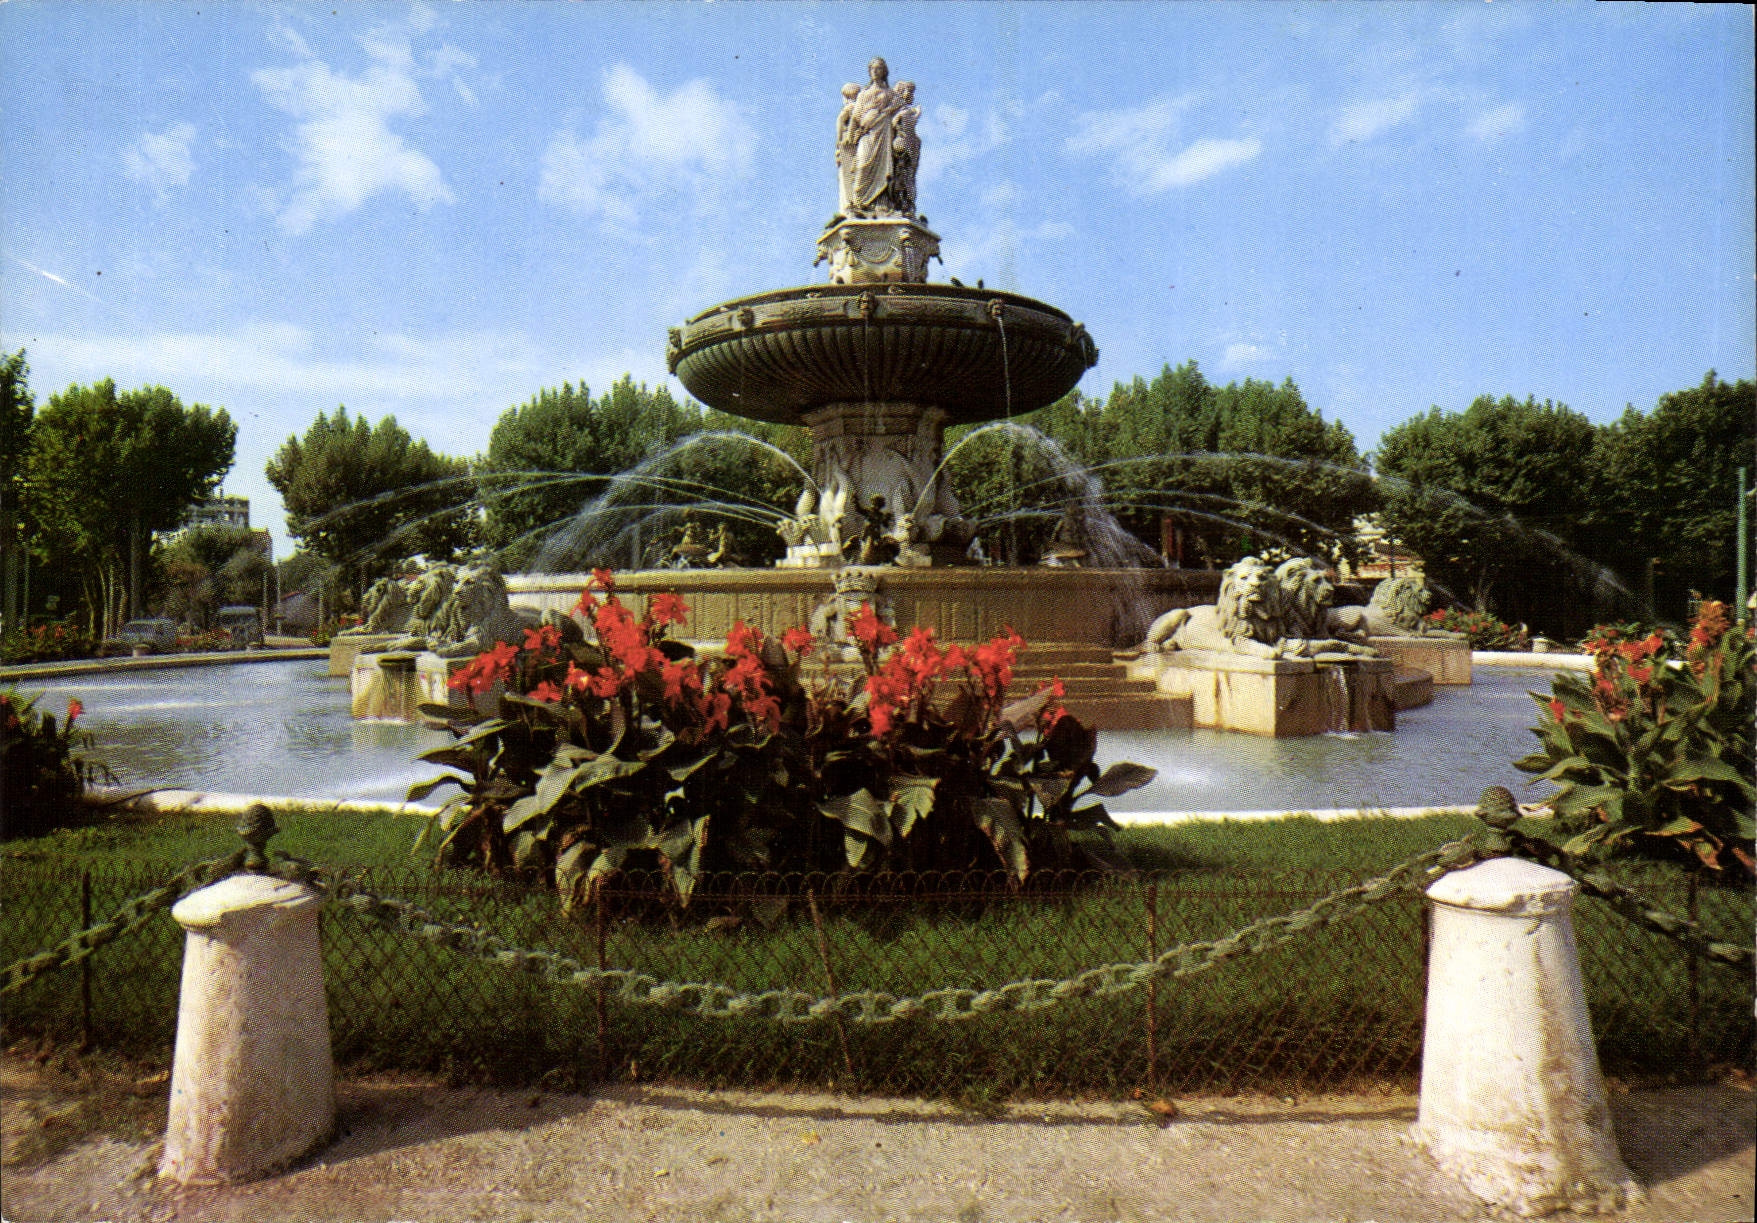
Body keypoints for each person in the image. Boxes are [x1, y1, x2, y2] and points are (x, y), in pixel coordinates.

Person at [889, 82, 921, 218]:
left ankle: (905, 204)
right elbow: (896, 124)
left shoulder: (903, 111)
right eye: (909, 92)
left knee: (906, 176)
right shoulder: (903, 111)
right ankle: (902, 204)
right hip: (903, 146)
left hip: (908, 146)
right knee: (903, 175)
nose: (911, 95)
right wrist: (916, 115)